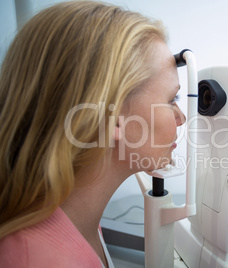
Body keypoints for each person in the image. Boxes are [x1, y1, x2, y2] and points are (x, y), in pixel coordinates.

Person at [0, 1, 185, 267]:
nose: (181, 118)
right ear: (114, 117)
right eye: (171, 99)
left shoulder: (75, 218)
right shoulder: (39, 260)